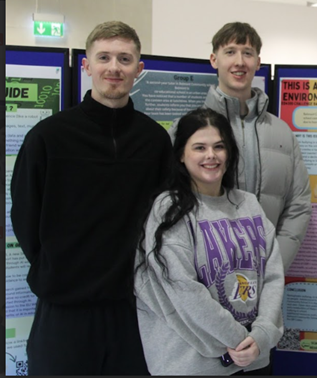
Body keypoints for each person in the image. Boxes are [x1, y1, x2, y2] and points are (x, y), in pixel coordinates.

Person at [10, 21, 172, 375]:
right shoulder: (48, 138)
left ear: (138, 70)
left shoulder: (154, 141)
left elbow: (166, 219)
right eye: (104, 57)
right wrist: (56, 268)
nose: (114, 67)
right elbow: (24, 214)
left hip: (134, 310)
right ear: (86, 65)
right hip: (64, 311)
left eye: (125, 59)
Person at [134, 108, 284, 375]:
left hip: (253, 360)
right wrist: (238, 339)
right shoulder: (169, 210)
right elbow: (183, 290)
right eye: (199, 147)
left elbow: (272, 276)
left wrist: (261, 335)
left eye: (218, 147)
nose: (211, 155)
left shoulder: (248, 204)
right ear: (181, 154)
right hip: (194, 365)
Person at [169, 21, 311, 274]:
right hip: (206, 275)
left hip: (267, 274)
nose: (240, 61)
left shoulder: (282, 133)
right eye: (230, 51)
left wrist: (274, 266)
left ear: (258, 62)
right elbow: (172, 199)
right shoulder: (186, 130)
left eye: (247, 53)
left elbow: (297, 204)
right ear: (214, 60)